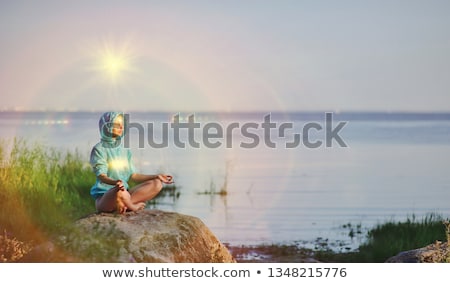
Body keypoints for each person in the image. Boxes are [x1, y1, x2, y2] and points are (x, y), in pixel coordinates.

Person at [89, 111, 173, 214]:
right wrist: (115, 183)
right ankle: (132, 206)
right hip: (106, 197)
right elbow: (101, 176)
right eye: (116, 124)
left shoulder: (125, 150)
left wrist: (156, 176)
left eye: (122, 125)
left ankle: (124, 204)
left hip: (125, 193)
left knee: (157, 184)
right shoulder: (99, 149)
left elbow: (133, 175)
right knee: (119, 191)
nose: (121, 127)